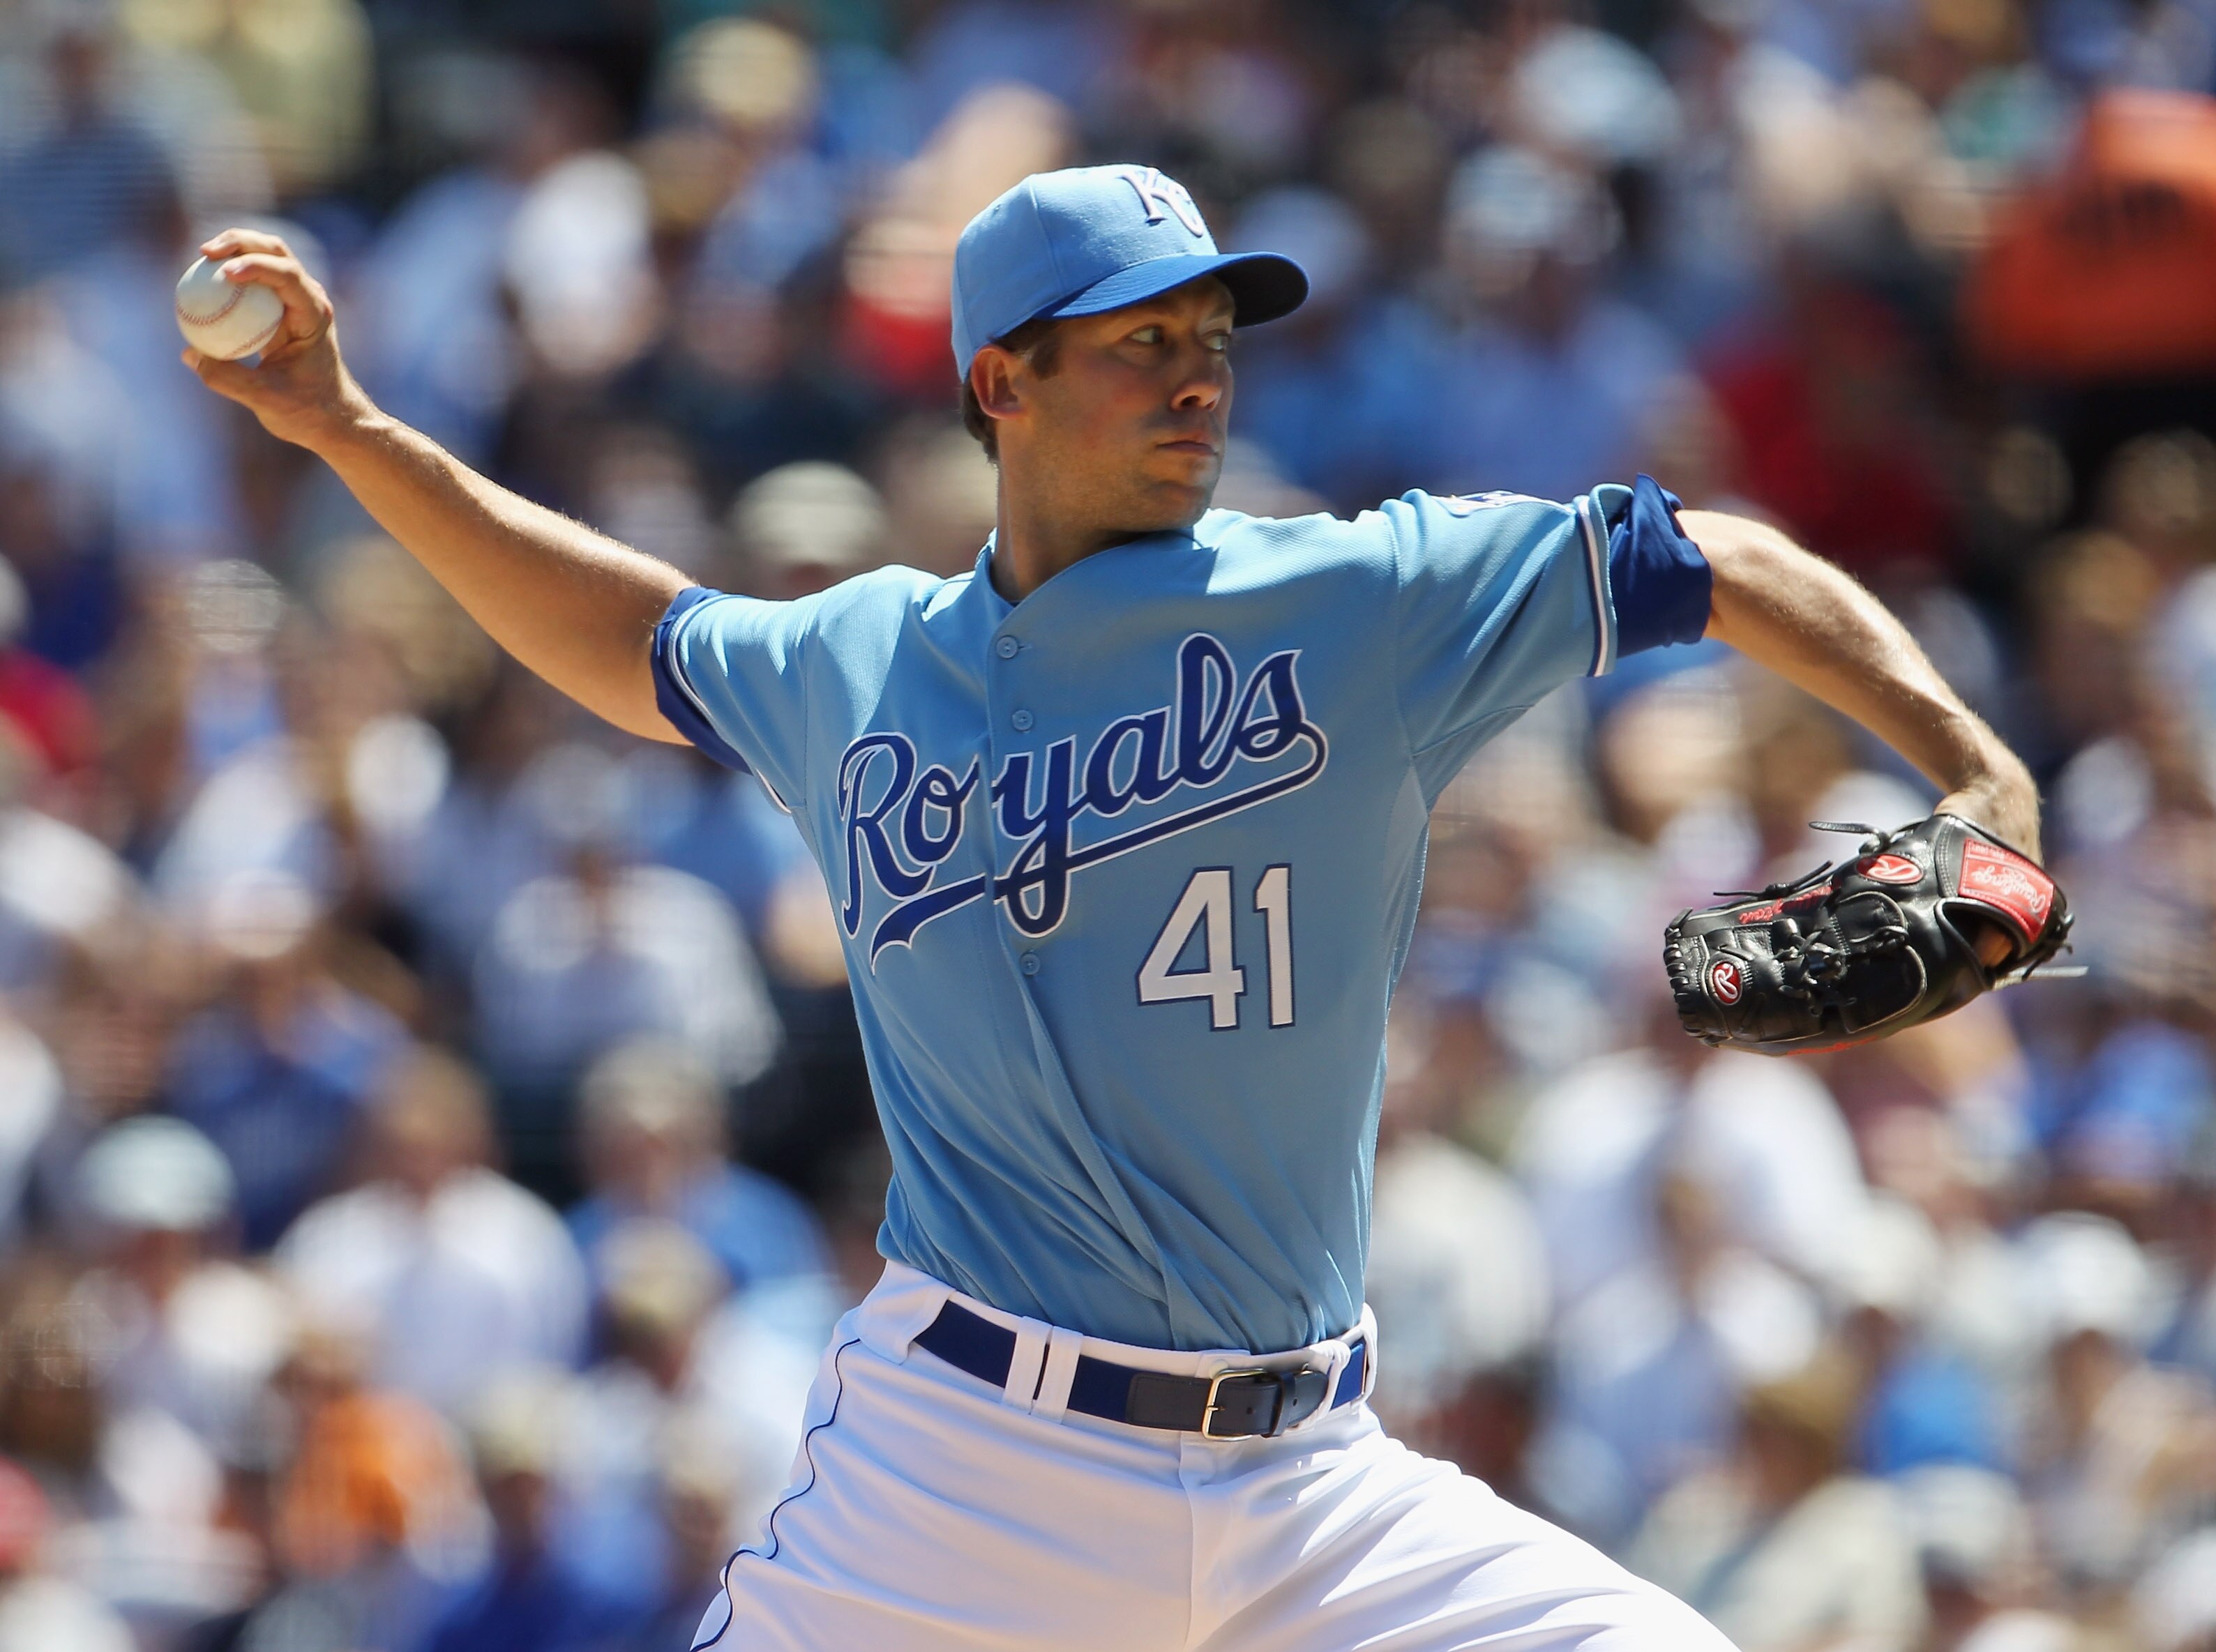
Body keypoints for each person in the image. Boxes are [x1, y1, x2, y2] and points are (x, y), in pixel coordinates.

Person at [184, 162, 2042, 1649]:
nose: (1194, 376)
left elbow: (1707, 560)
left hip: (1310, 1474)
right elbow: (633, 633)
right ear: (998, 380)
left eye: (1211, 339)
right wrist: (347, 428)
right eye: (1136, 340)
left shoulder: (1357, 602)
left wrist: (1976, 769)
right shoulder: (854, 657)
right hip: (964, 1466)